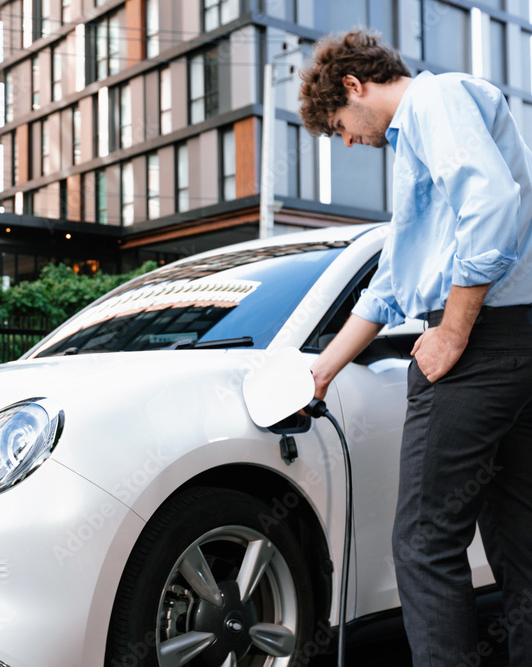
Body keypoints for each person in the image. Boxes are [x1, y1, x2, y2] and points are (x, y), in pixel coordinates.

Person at [299, 30, 532, 666]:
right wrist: (322, 369)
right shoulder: (422, 141)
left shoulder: (436, 102)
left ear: (353, 85)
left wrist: (454, 328)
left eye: (340, 126)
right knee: (517, 544)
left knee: (426, 543)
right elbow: (393, 282)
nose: (347, 140)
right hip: (515, 340)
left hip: (478, 345)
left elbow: (492, 204)